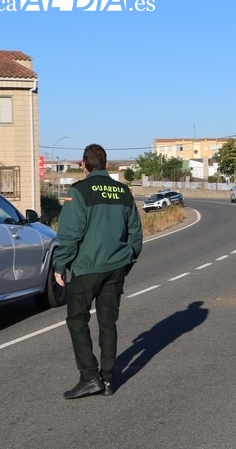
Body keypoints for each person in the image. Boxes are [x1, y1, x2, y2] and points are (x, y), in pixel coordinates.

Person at [54, 144, 143, 399]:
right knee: (108, 323)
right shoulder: (124, 191)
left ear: (84, 165)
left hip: (87, 269)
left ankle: (90, 377)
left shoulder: (79, 191)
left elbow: (70, 235)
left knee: (77, 320)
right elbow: (136, 232)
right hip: (116, 268)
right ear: (106, 163)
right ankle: (109, 379)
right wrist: (128, 260)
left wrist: (60, 265)